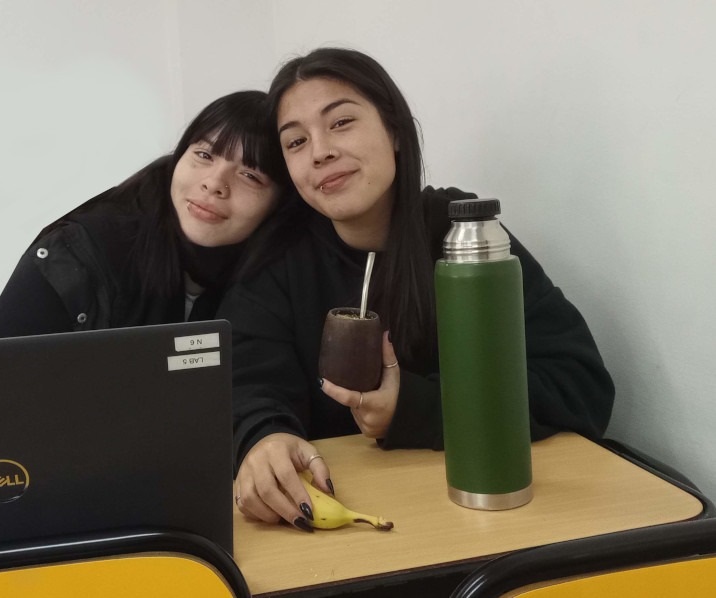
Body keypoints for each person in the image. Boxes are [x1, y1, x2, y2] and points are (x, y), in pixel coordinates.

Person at [220, 48, 615, 532]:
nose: (319, 151)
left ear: (395, 131)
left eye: (341, 122)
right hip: (334, 532)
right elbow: (245, 385)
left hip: (487, 519)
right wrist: (263, 436)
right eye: (296, 142)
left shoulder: (464, 235)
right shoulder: (277, 261)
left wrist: (417, 409)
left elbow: (580, 384)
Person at [0, 90, 293, 339]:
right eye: (203, 155)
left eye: (251, 175)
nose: (214, 184)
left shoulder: (282, 277)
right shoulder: (78, 253)